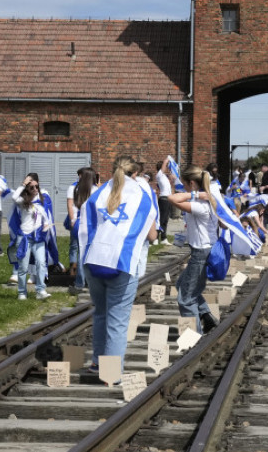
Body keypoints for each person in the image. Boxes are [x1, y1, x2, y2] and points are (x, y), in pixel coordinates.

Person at [79, 155, 158, 374]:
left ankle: (97, 363)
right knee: (118, 321)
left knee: (101, 313)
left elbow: (83, 224)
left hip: (94, 259)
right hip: (122, 261)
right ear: (136, 173)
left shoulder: (99, 193)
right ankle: (111, 374)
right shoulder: (141, 196)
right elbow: (152, 236)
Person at [168, 165, 220, 334]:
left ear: (191, 183)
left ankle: (193, 336)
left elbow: (172, 199)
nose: (184, 189)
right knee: (182, 284)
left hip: (201, 252)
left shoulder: (200, 205)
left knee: (186, 298)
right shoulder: (210, 199)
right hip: (206, 249)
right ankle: (206, 316)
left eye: (185, 185)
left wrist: (195, 194)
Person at [8, 173, 55, 301]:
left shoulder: (41, 199)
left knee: (41, 263)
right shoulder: (22, 201)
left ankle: (40, 290)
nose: (35, 189)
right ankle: (22, 292)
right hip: (25, 238)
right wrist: (23, 184)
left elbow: (45, 216)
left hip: (38, 238)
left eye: (37, 186)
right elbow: (14, 197)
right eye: (32, 187)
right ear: (27, 190)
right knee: (23, 267)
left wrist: (46, 225)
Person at [66, 166, 97, 294]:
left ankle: (79, 283)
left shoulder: (74, 188)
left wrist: (72, 220)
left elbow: (70, 205)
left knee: (80, 252)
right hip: (90, 223)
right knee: (91, 253)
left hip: (78, 223)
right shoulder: (95, 190)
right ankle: (91, 282)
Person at [155, 158, 174, 244]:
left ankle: (163, 238)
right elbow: (163, 167)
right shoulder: (159, 175)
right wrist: (167, 160)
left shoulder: (164, 177)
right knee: (161, 219)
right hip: (163, 199)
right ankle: (156, 238)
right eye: (166, 167)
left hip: (168, 199)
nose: (166, 168)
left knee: (165, 220)